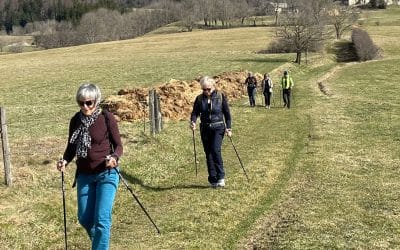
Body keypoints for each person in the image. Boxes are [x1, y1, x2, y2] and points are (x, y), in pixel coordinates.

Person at [56, 83, 123, 250]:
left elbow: (119, 146)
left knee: (101, 220)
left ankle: (100, 244)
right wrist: (64, 161)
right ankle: (101, 241)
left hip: (107, 173)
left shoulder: (106, 118)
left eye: (89, 102)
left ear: (96, 101)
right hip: (85, 175)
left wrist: (114, 157)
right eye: (81, 103)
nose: (85, 106)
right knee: (85, 219)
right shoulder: (75, 121)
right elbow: (71, 147)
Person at [190, 76, 232, 188]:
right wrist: (193, 121)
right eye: (204, 89)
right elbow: (195, 112)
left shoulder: (220, 96)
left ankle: (221, 177)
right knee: (208, 153)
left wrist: (229, 128)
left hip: (218, 127)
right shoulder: (199, 99)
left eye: (208, 89)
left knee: (215, 150)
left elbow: (227, 114)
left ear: (213, 87)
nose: (206, 92)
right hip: (205, 128)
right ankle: (212, 179)